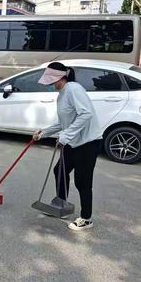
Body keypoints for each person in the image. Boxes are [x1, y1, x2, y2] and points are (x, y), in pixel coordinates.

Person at [33, 62, 103, 231]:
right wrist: (43, 133)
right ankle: (61, 204)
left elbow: (86, 113)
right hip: (73, 142)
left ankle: (86, 218)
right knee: (60, 170)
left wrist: (66, 135)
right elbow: (63, 122)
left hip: (88, 143)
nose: (51, 85)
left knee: (82, 181)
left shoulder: (74, 89)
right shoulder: (62, 93)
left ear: (61, 77)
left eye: (52, 81)